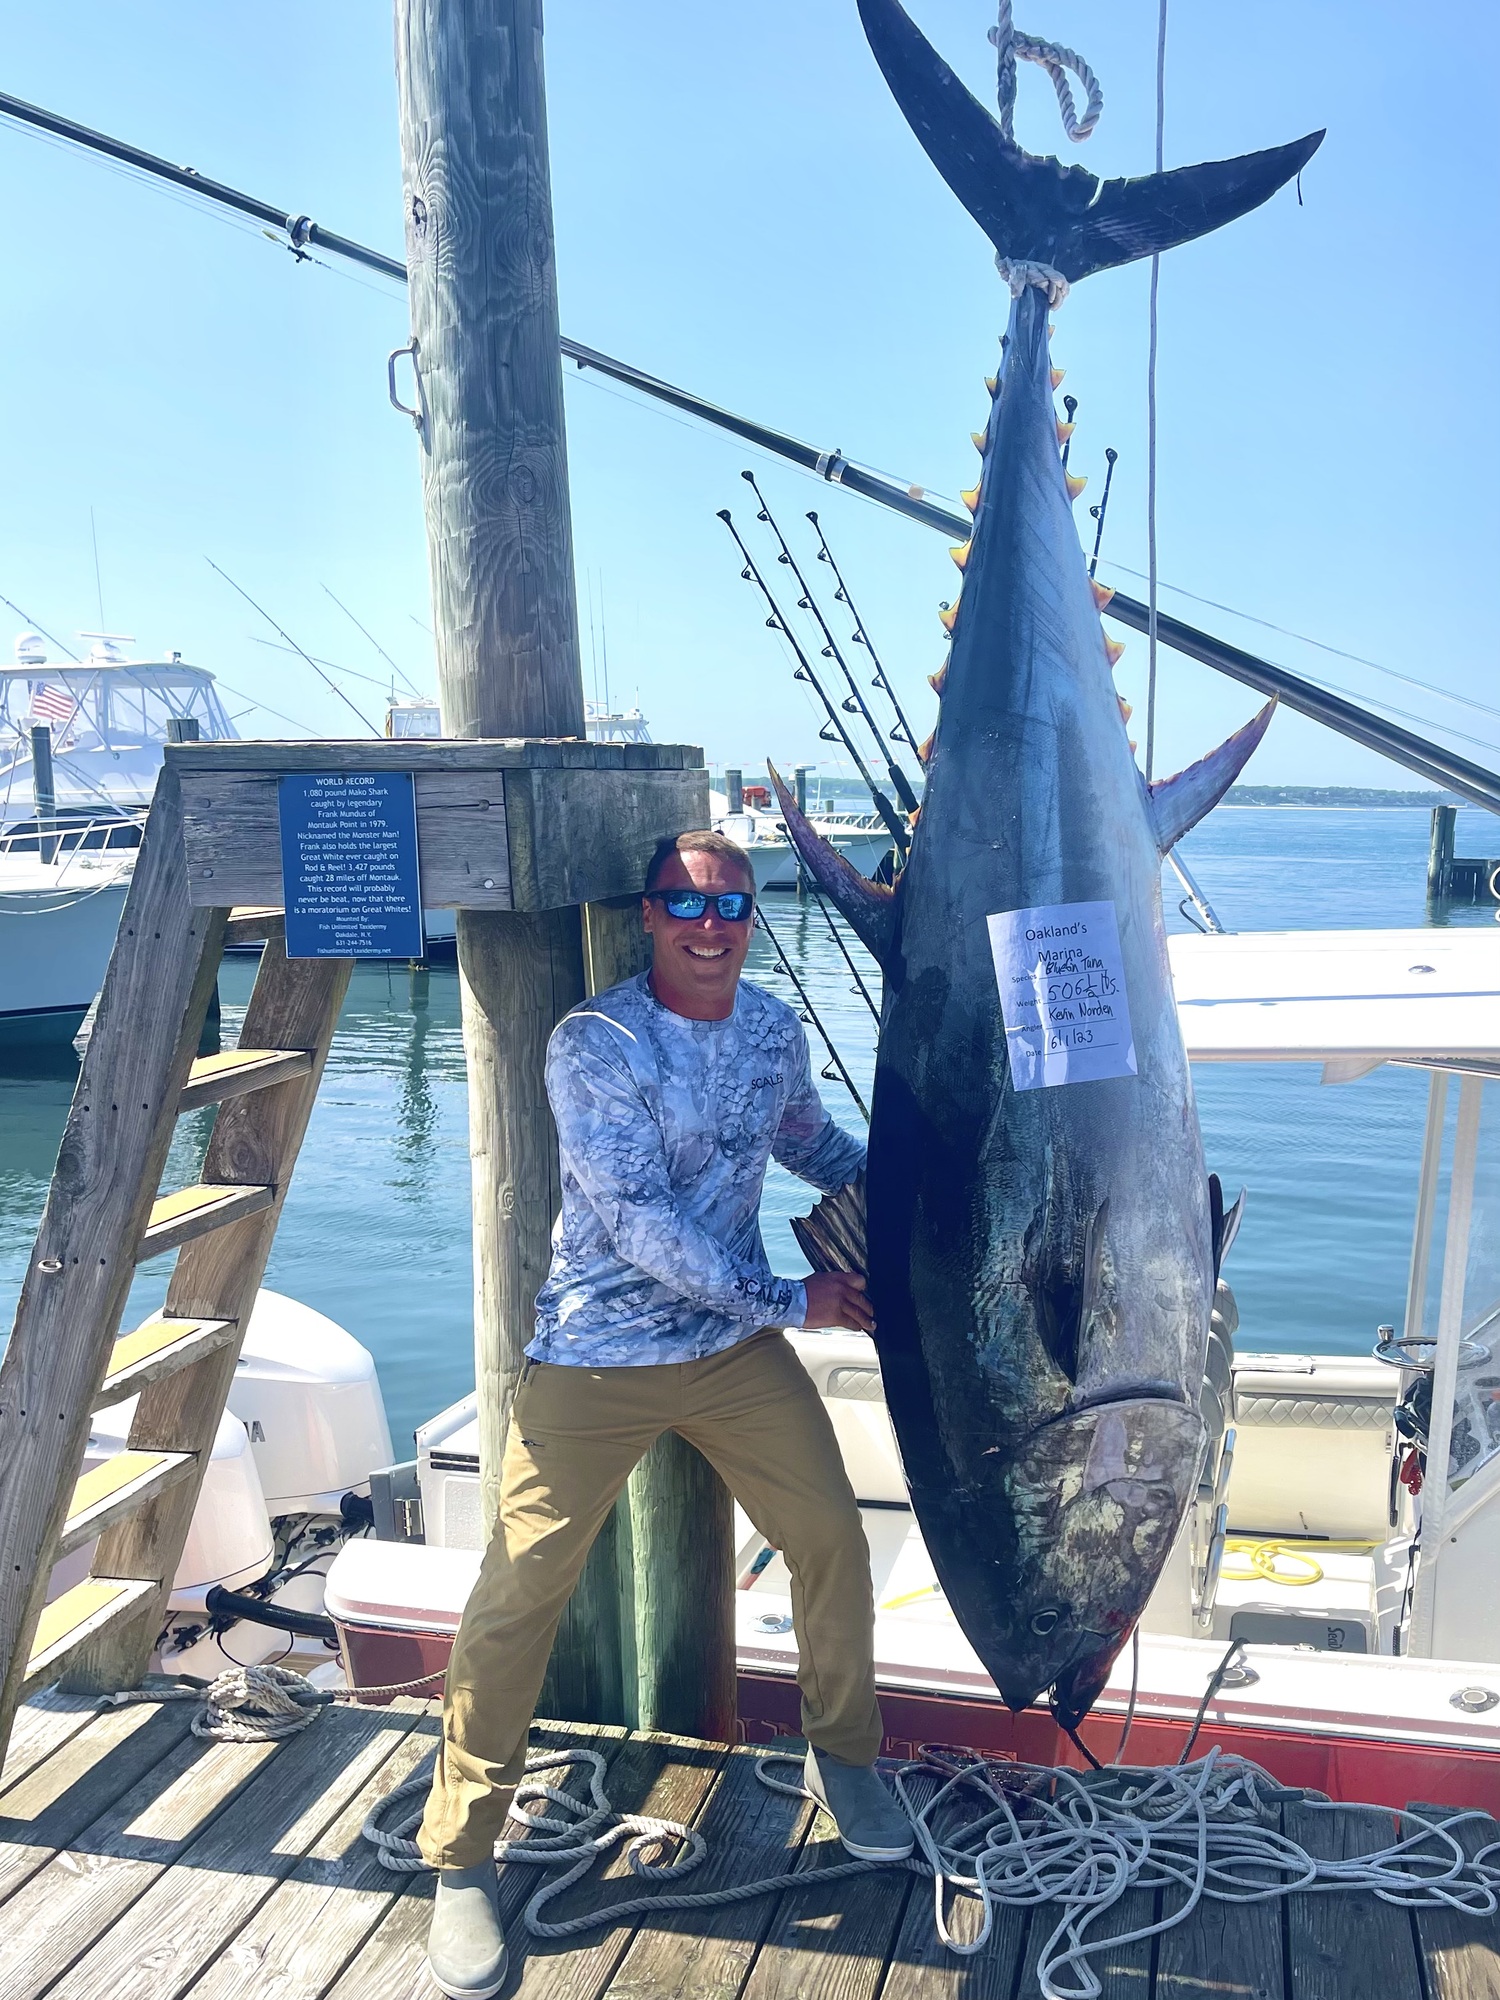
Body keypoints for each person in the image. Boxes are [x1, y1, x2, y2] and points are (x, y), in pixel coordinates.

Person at [422, 828, 910, 2000]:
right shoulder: (595, 1043)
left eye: (731, 905)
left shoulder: (771, 1031)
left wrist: (915, 1192)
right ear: (647, 915)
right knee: (519, 1588)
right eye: (683, 904)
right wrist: (802, 1300)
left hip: (733, 1352)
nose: (709, 924)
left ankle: (845, 1757)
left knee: (833, 1542)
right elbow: (639, 1224)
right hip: (595, 1359)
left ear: (754, 917)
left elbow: (815, 1142)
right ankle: (461, 1853)